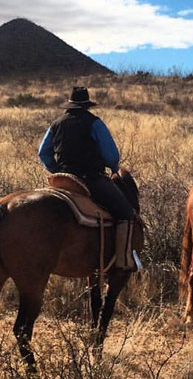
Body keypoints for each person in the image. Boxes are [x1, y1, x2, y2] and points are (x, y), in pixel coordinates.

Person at [38, 86, 136, 270]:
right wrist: (114, 168)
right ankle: (123, 261)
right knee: (126, 212)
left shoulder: (56, 124)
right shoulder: (94, 123)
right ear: (86, 105)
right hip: (90, 178)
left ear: (70, 104)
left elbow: (43, 153)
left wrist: (56, 169)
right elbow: (111, 156)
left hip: (63, 178)